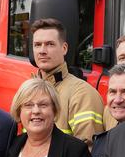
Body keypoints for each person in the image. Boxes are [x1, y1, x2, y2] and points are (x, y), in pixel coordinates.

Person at [32, 18, 104, 148]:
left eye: (50, 44)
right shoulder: (28, 91)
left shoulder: (83, 94)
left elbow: (87, 151)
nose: (42, 50)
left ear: (64, 48)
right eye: (37, 45)